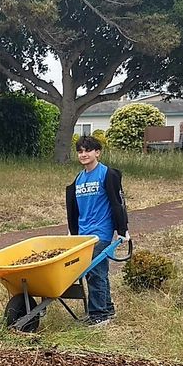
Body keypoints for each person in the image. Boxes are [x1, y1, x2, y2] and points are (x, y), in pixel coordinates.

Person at [65, 135, 129, 326]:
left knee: (94, 272)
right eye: (80, 151)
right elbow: (74, 208)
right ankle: (107, 310)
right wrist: (72, 230)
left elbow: (118, 203)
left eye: (88, 150)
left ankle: (98, 315)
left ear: (97, 153)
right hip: (83, 233)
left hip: (101, 231)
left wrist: (122, 229)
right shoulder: (79, 178)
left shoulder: (107, 174)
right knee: (96, 271)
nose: (83, 154)